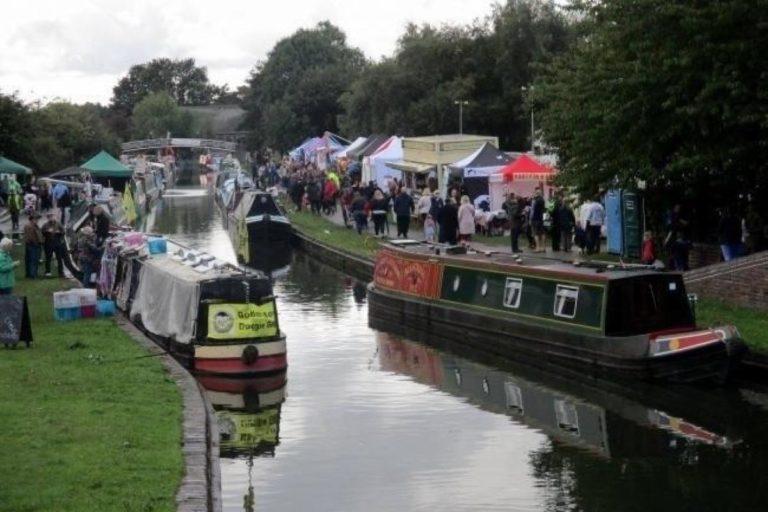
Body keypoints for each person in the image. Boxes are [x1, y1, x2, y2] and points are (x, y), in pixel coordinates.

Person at [42, 212, 66, 277]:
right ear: (48, 218)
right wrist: (47, 232)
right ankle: (47, 272)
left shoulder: (58, 224)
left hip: (57, 242)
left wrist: (59, 232)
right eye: (49, 217)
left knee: (59, 258)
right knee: (48, 258)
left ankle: (61, 272)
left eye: (52, 216)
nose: (51, 218)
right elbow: (42, 232)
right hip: (48, 242)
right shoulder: (45, 225)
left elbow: (63, 231)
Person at [22, 212, 43, 279]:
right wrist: (37, 243)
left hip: (31, 245)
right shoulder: (30, 226)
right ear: (32, 219)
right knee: (33, 260)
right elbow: (31, 237)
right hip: (33, 245)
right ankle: (33, 275)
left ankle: (30, 274)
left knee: (30, 260)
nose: (37, 220)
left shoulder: (33, 225)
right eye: (36, 219)